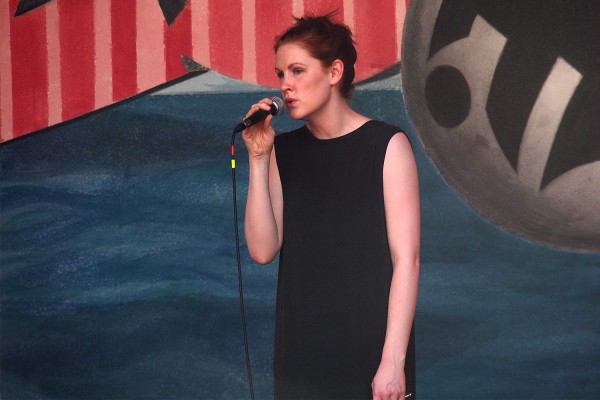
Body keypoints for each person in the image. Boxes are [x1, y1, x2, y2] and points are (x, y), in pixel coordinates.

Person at [242, 13, 420, 400]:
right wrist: (258, 159)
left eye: (297, 70)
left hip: (371, 358)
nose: (285, 86)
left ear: (335, 71)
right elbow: (262, 250)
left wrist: (392, 361)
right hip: (301, 361)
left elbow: (407, 260)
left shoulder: (387, 146)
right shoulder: (282, 152)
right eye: (280, 75)